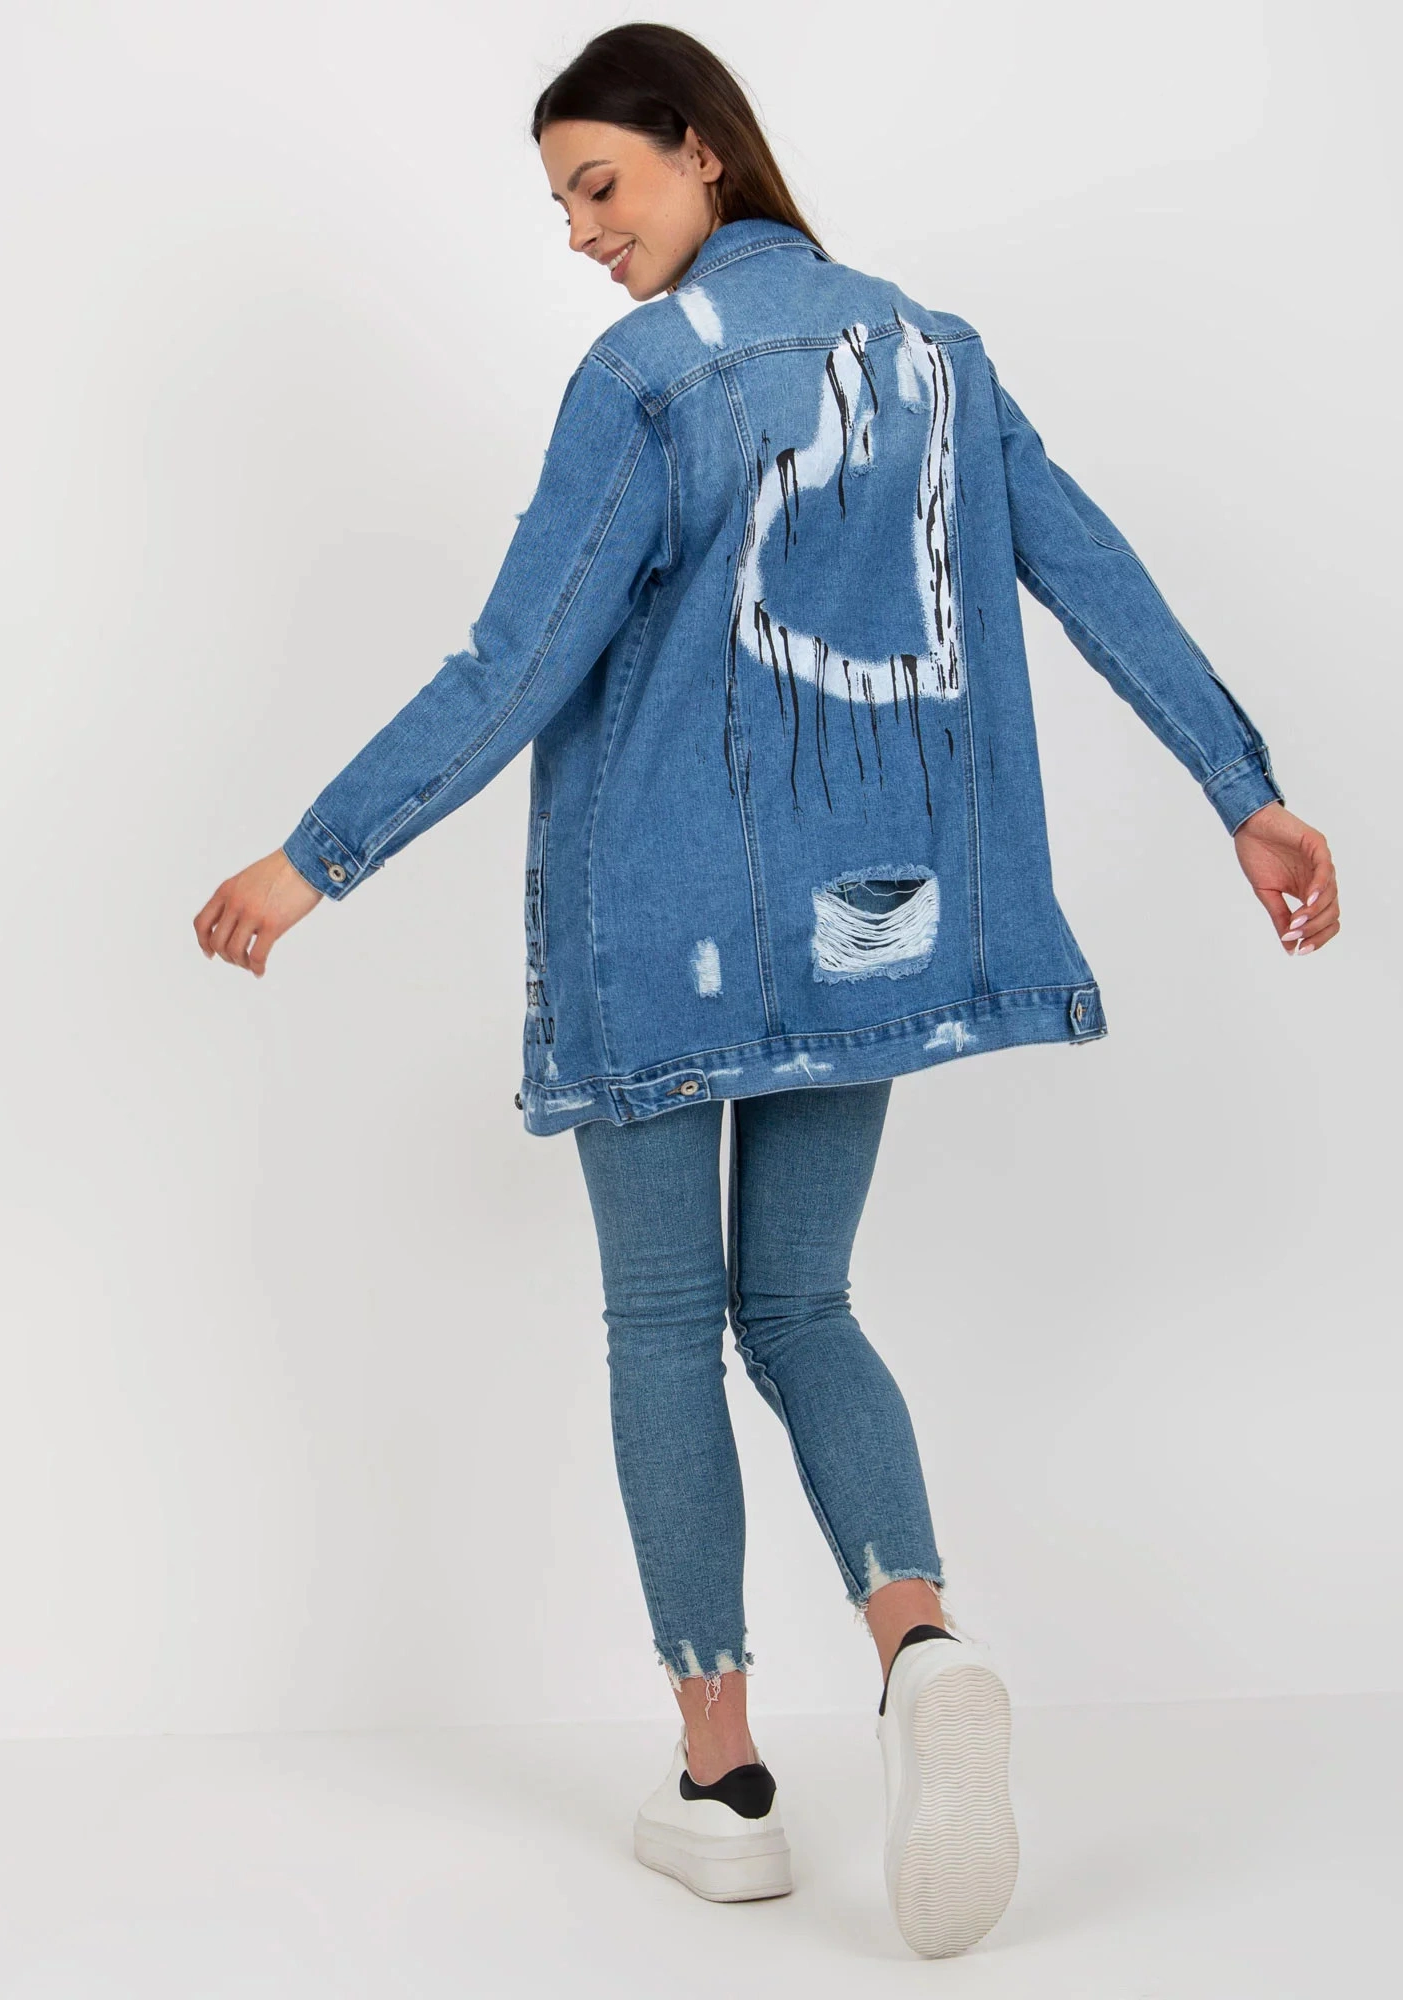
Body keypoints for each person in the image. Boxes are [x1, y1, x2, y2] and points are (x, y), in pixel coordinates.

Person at [192, 22, 1339, 1960]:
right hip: (875, 910)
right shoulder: (939, 355)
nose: (580, 231)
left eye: (600, 184)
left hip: (669, 926)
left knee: (667, 1320)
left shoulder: (650, 378)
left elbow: (516, 661)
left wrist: (318, 856)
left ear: (702, 150)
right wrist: (1247, 788)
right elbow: (1086, 564)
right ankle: (921, 1645)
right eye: (560, 202)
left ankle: (723, 1784)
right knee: (801, 1302)